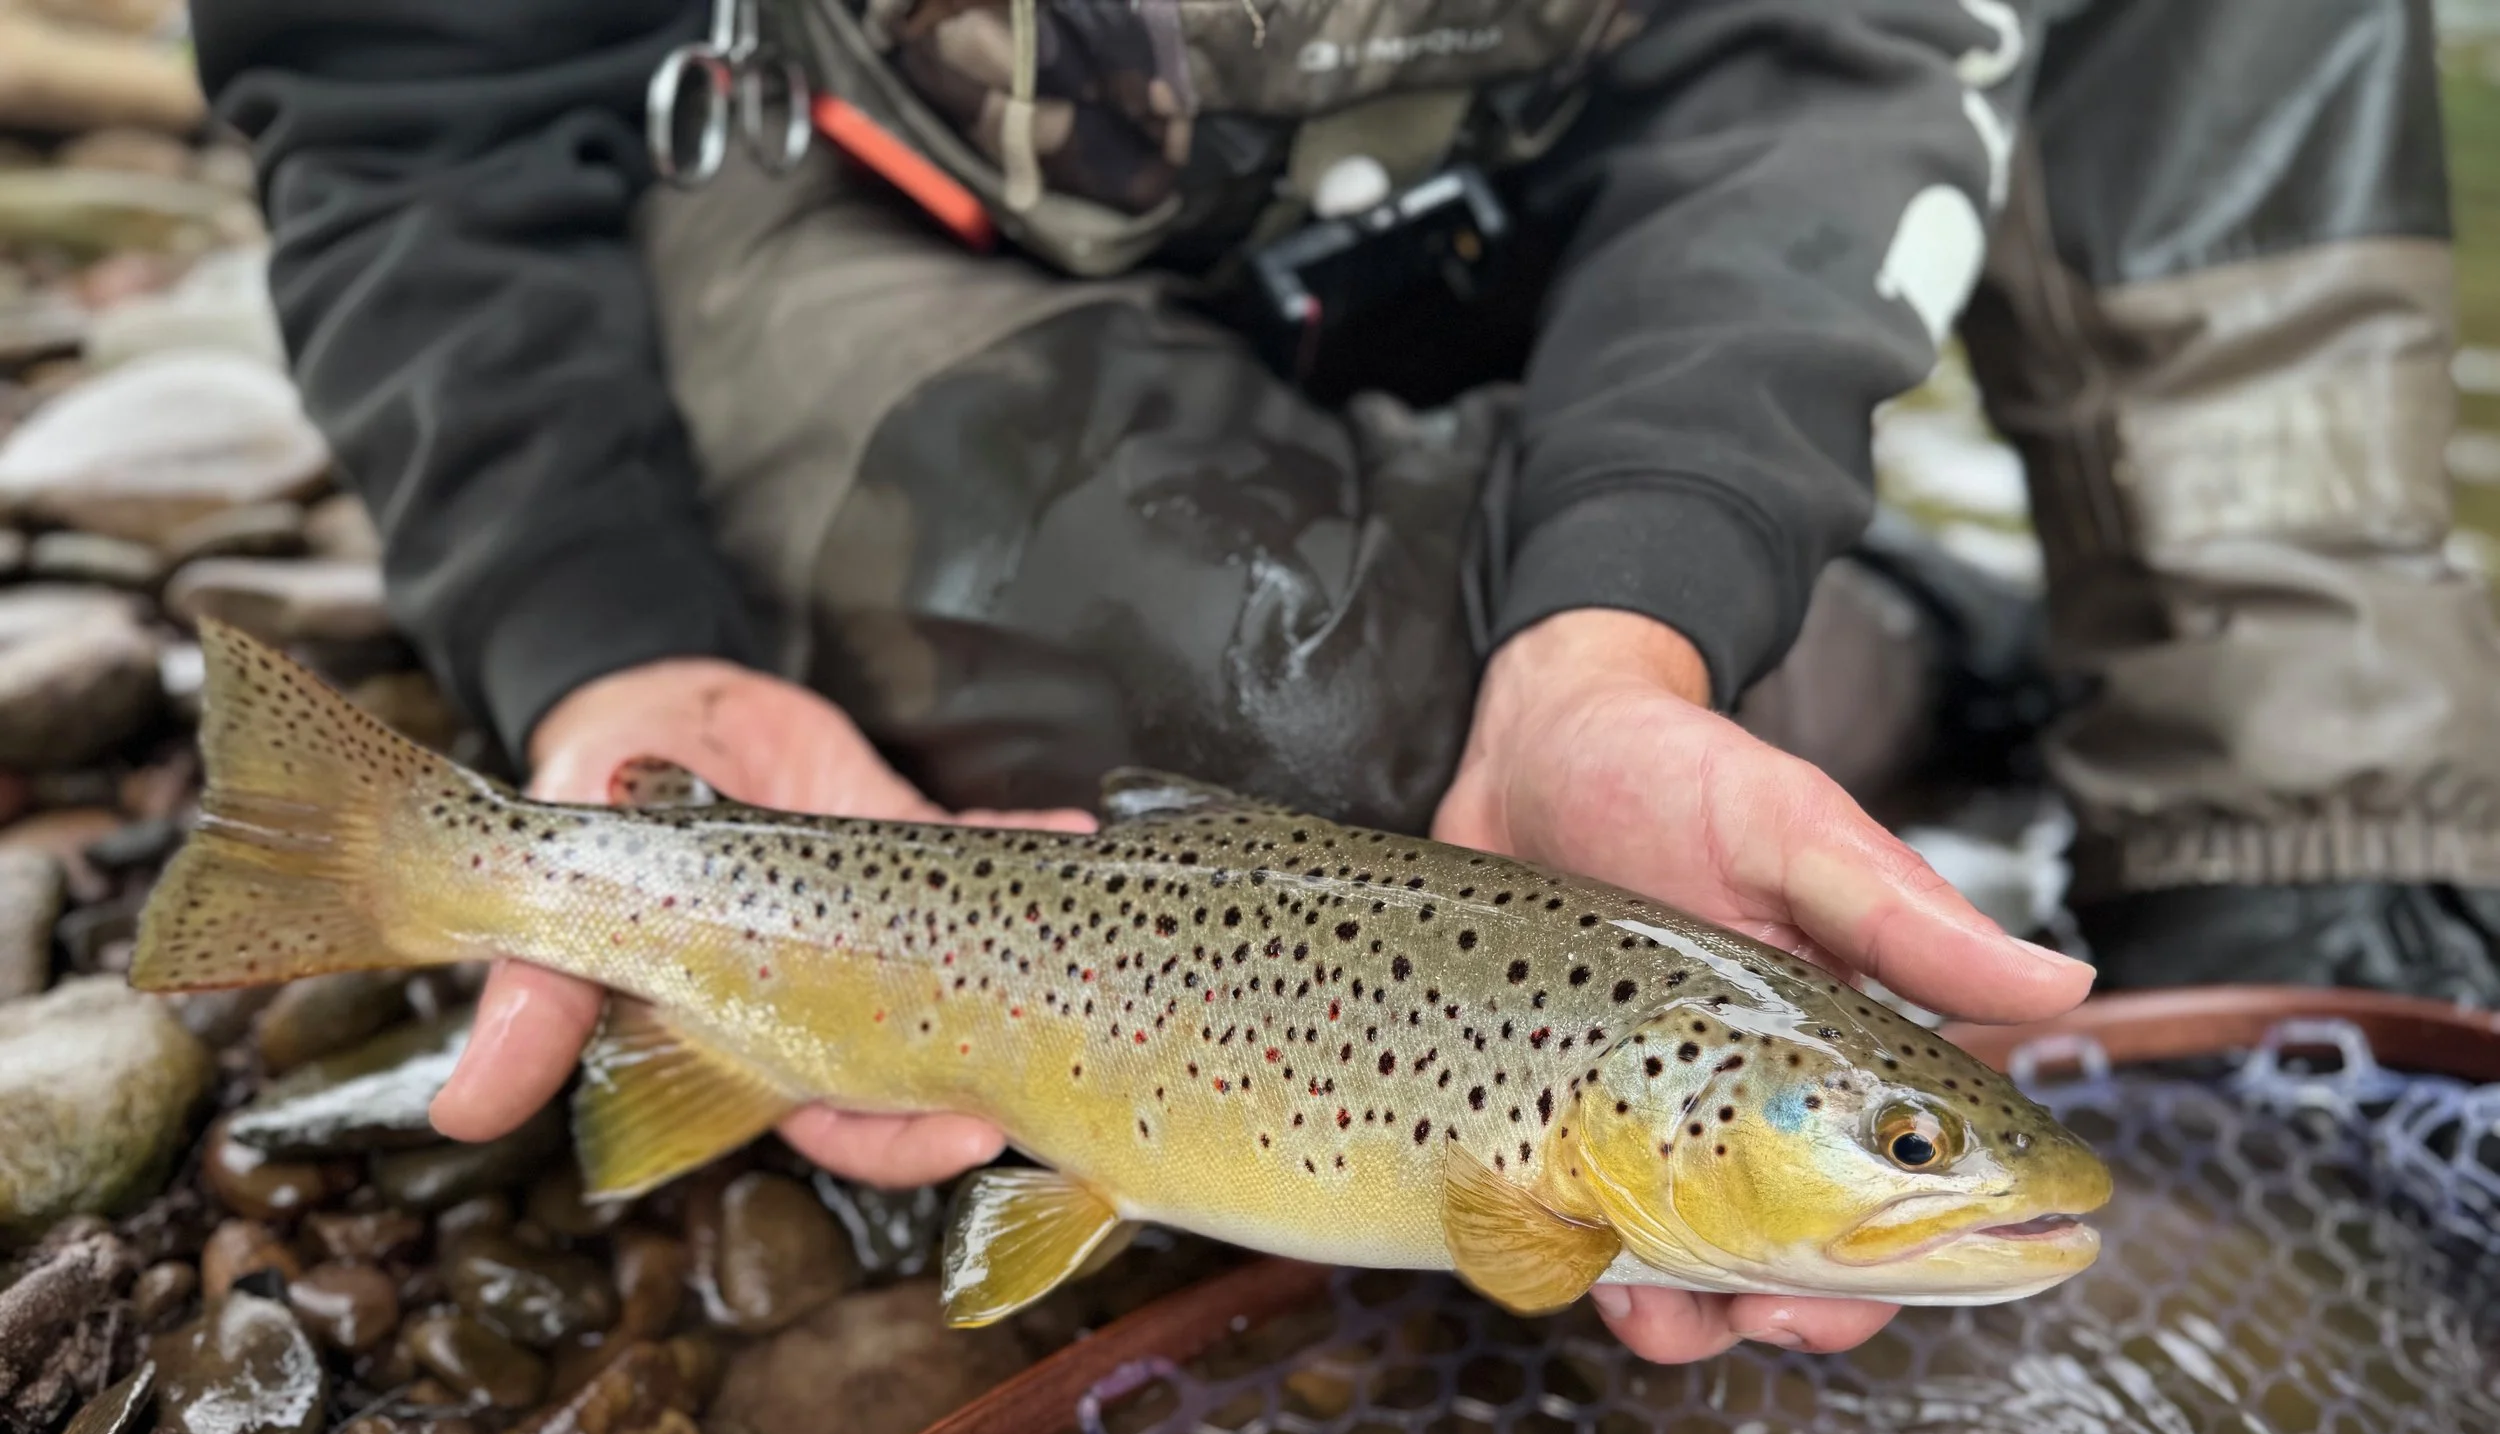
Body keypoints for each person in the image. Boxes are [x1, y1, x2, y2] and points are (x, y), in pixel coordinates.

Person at [189, 0, 2500, 1364]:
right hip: (872, 194)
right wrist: (596, 622)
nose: (1933, 1167)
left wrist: (1628, 613)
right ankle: (1880, 652)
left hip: (1571, 170)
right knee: (1321, 739)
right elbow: (407, 85)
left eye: (1902, 1140)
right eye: (1902, 1140)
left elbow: (1845, 42)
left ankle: (2286, 836)